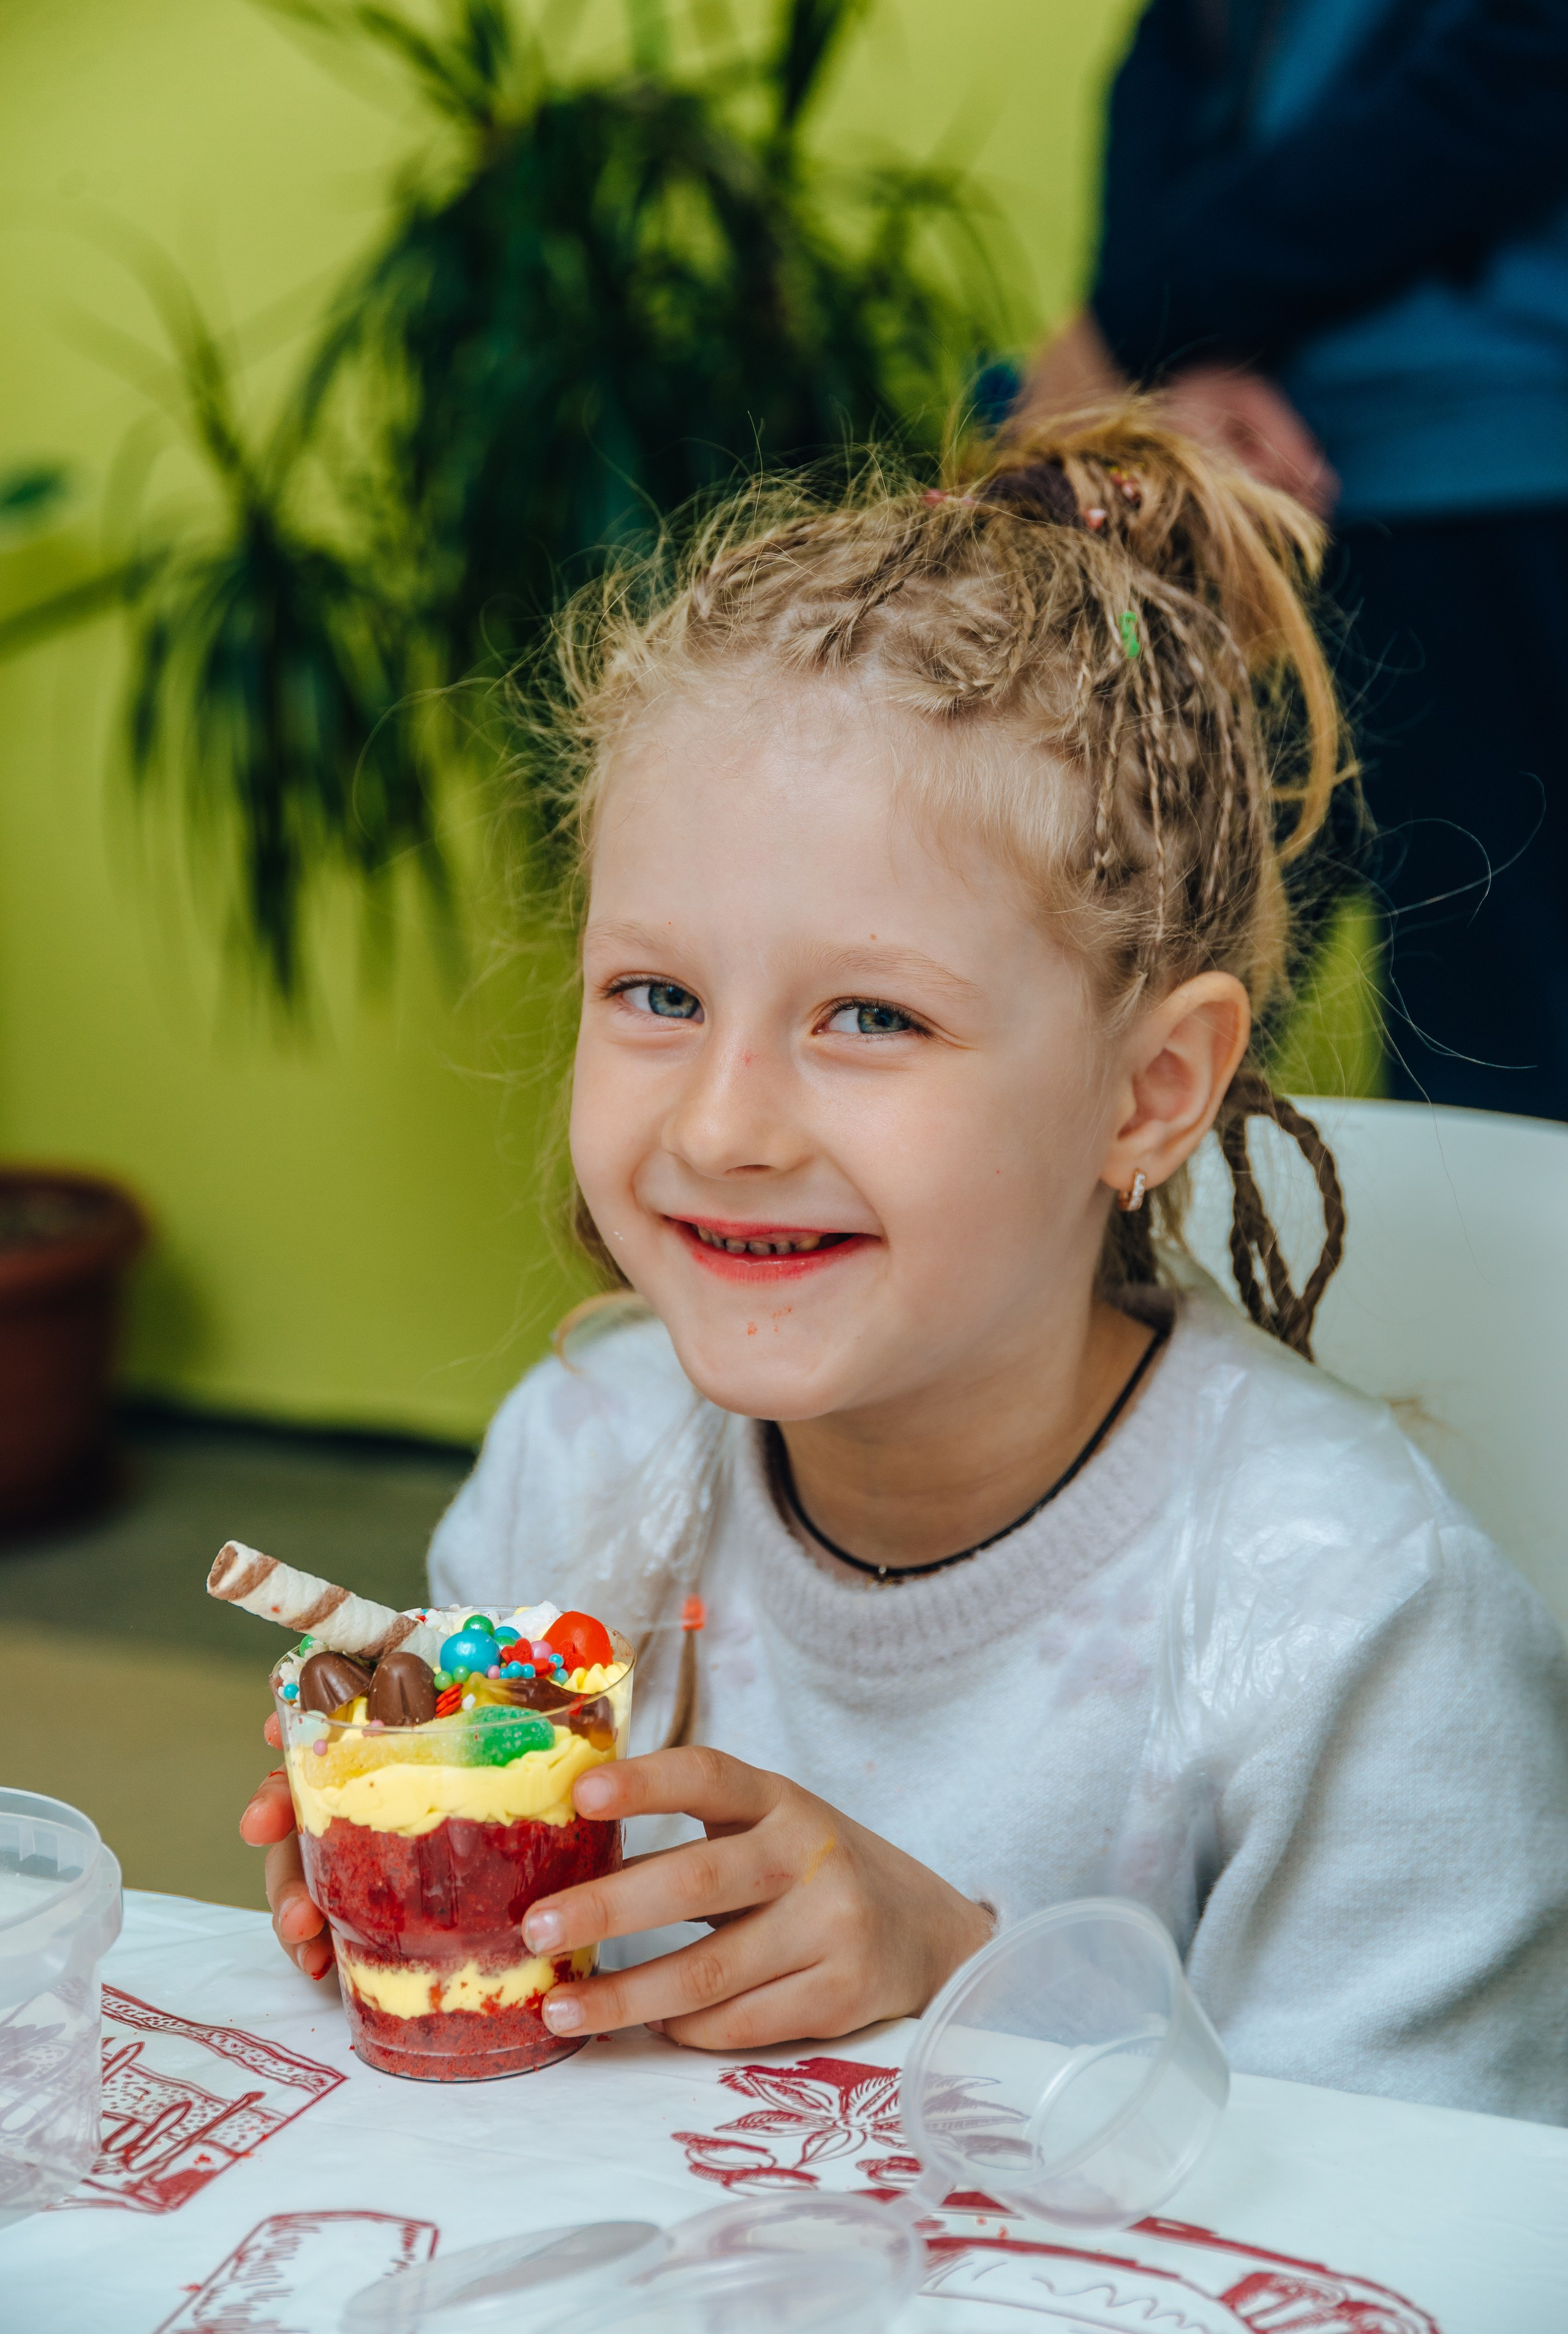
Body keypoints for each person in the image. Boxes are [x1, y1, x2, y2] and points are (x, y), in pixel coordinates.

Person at [239, 413, 1568, 2120]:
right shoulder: (571, 1467)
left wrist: (966, 1981)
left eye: (871, 1016)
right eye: (656, 994)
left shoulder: (1356, 1627)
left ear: (1151, 1087)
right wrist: (413, 1899)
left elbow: (1426, 2255)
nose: (721, 1125)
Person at [1023, 0, 1568, 1119]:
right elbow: (1179, 49)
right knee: (1115, 1033)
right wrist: (1166, 358)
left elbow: (1509, 79)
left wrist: (1132, 325)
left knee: (1503, 1059)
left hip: (1492, 483)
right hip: (1232, 487)